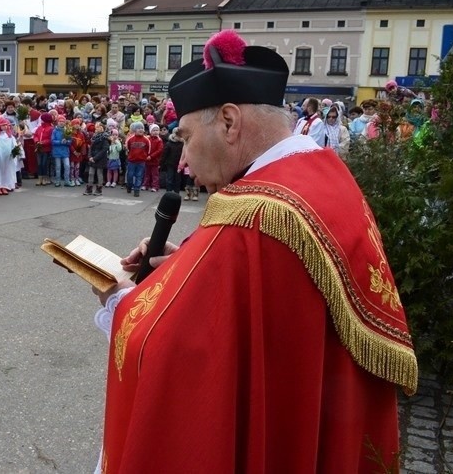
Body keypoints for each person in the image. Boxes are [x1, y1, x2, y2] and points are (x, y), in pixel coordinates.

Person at [92, 29, 417, 473]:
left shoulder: (254, 213)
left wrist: (119, 298)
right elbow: (256, 291)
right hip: (321, 424)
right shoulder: (323, 175)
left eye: (185, 138)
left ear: (229, 121)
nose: (183, 161)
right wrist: (186, 264)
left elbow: (180, 350)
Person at [85, 122, 109, 196]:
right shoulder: (94, 137)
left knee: (99, 173)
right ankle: (89, 188)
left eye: (98, 127)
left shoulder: (105, 138)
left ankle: (99, 189)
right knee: (91, 173)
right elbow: (90, 148)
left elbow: (104, 150)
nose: (96, 128)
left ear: (102, 128)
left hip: (100, 159)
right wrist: (90, 157)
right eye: (96, 127)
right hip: (93, 158)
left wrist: (95, 158)